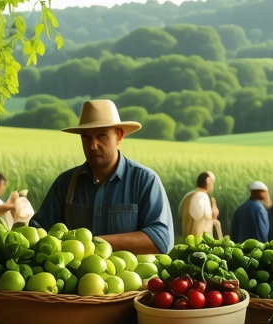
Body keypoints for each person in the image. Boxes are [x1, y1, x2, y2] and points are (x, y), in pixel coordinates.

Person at [31, 99, 174, 254]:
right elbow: (37, 232)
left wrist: (91, 242)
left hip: (129, 279)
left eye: (101, 136)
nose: (93, 146)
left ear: (119, 137)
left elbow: (160, 240)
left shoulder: (144, 181)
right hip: (76, 278)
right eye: (86, 138)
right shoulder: (65, 183)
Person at [179, 171, 219, 237]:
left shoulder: (188, 196)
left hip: (186, 237)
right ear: (208, 182)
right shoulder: (203, 196)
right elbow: (209, 215)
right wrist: (214, 208)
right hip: (199, 239)